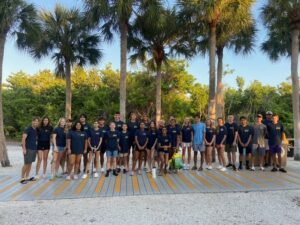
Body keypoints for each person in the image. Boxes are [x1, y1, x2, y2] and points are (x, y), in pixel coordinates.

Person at [21, 118, 39, 184]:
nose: (35, 123)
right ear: (32, 121)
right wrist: (24, 149)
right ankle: (22, 178)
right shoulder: (28, 129)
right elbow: (23, 139)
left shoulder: (36, 130)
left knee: (30, 163)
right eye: (34, 121)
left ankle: (27, 176)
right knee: (26, 163)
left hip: (34, 149)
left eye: (37, 122)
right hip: (28, 149)